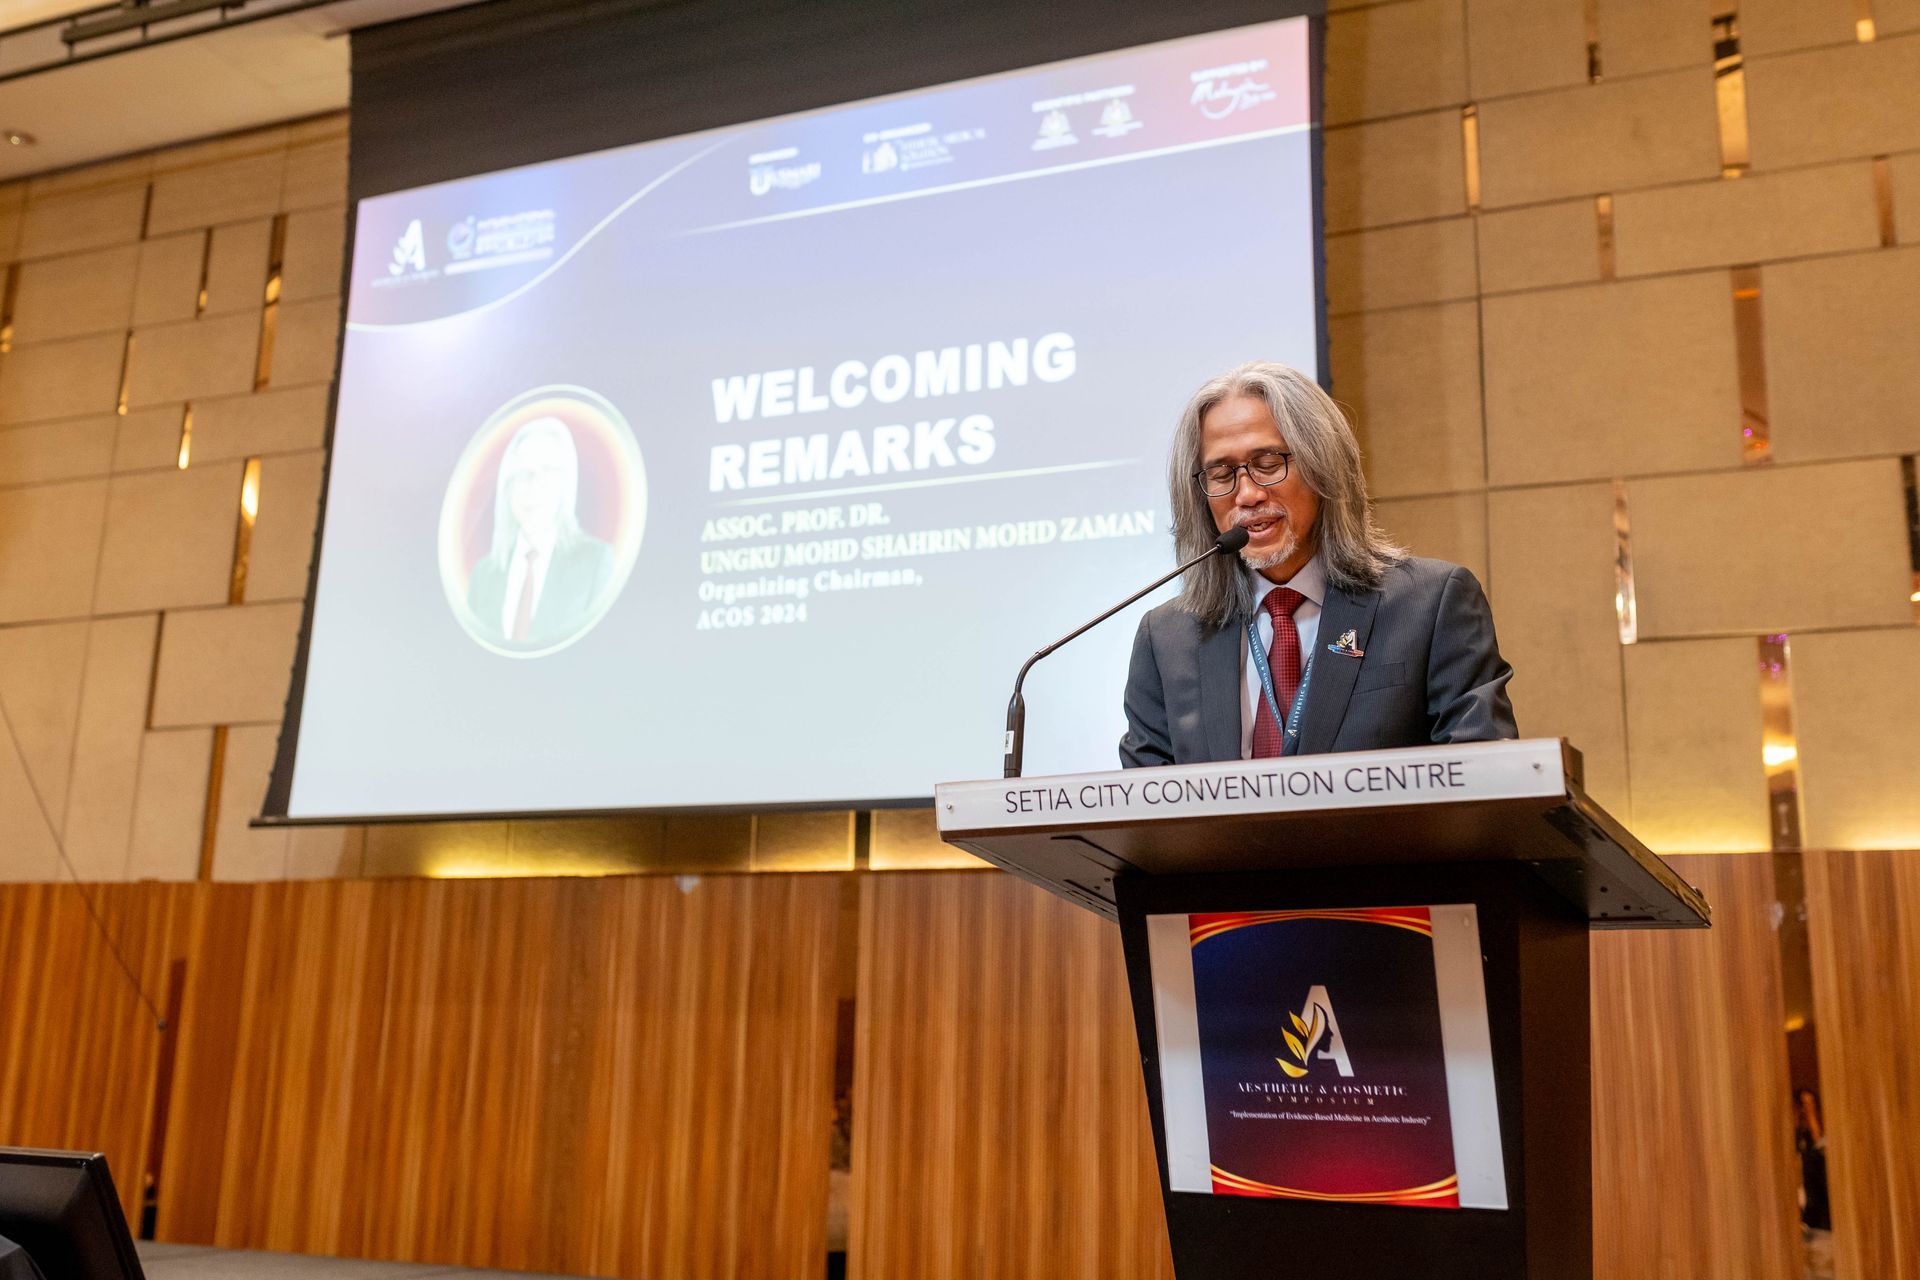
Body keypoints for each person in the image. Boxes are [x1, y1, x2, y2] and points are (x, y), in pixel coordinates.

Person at [1119, 361, 1515, 766]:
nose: (1248, 494)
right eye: (1221, 474)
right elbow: (1147, 800)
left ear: (1323, 465)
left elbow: (1483, 777)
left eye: (1268, 464)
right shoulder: (1166, 639)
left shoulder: (1431, 605)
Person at [465, 417, 614, 650]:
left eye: (545, 471)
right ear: (507, 487)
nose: (532, 485)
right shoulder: (483, 575)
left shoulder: (595, 562)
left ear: (565, 483)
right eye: (522, 473)